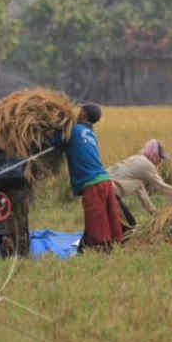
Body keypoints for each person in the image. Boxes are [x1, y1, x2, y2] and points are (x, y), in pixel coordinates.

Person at [56, 102, 123, 251]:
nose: (78, 113)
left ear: (84, 114)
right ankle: (109, 245)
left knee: (96, 219)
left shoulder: (73, 130)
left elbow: (56, 141)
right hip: (105, 180)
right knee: (109, 216)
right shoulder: (90, 133)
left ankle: (100, 249)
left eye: (80, 110)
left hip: (92, 183)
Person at [107, 139, 172, 217]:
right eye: (160, 157)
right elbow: (162, 187)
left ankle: (152, 212)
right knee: (128, 224)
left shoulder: (137, 158)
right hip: (111, 189)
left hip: (103, 186)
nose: (160, 161)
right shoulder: (146, 164)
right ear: (154, 153)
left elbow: (140, 188)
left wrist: (154, 212)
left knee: (138, 185)